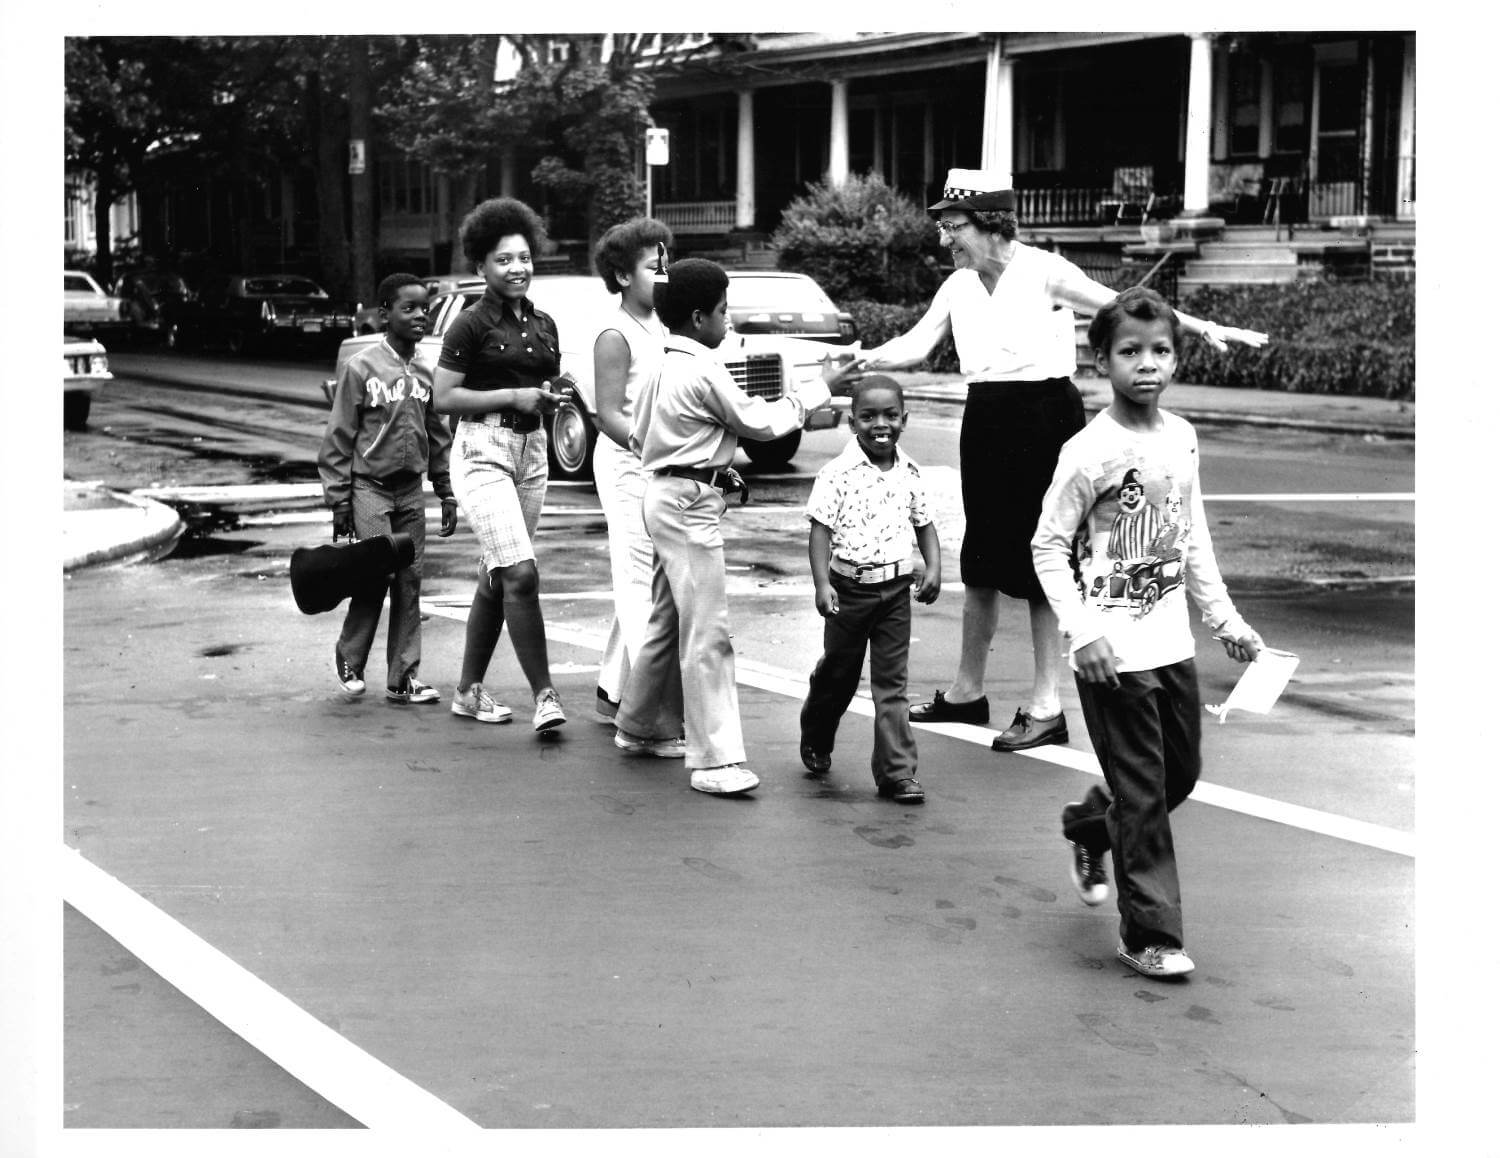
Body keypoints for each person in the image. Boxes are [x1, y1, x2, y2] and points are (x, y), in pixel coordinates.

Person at [860, 168, 1267, 755]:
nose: (945, 240)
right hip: (986, 415)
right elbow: (918, 345)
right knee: (981, 556)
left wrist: (1205, 327)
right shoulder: (959, 286)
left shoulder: (1045, 271)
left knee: (1041, 556)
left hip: (1043, 416)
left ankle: (1047, 705)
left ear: (989, 223)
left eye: (953, 227)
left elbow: (1126, 307)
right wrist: (865, 356)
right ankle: (966, 691)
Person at [1031, 286, 1264, 979]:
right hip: (1112, 655)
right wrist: (1083, 633)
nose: (1147, 365)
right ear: (1100, 359)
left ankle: (1088, 824)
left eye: (1160, 350)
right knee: (1145, 796)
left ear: (1176, 359)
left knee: (1177, 777)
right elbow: (1047, 546)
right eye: (1130, 352)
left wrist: (1225, 620)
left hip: (1171, 646)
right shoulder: (1088, 450)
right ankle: (1150, 934)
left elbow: (1192, 540)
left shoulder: (1183, 438)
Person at [612, 258, 860, 796]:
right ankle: (714, 759)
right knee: (708, 632)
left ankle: (638, 725)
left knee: (668, 618)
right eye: (724, 312)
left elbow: (634, 435)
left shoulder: (659, 357)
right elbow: (762, 424)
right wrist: (821, 388)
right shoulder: (702, 366)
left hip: (663, 493)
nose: (729, 323)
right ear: (699, 316)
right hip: (688, 502)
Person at [432, 197, 568, 734]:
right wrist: (515, 395)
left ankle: (467, 692)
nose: (518, 268)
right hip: (481, 452)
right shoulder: (469, 325)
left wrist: (556, 395)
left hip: (532, 455)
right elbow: (443, 397)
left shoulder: (545, 324)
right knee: (520, 572)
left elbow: (545, 386)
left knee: (498, 573)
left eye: (525, 258)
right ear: (481, 267)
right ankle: (545, 695)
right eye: (504, 260)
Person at [799, 375, 942, 804]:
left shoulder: (910, 471)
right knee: (838, 675)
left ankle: (897, 773)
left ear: (904, 419)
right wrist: (822, 583)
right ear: (851, 421)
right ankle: (817, 734)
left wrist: (933, 566)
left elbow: (924, 524)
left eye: (890, 415)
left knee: (891, 684)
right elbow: (820, 531)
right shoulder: (836, 474)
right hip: (849, 591)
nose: (880, 424)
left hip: (895, 593)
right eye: (868, 416)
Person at [319, 272, 457, 703]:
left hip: (410, 490)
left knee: (410, 580)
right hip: (369, 488)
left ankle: (404, 676)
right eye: (409, 308)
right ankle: (350, 656)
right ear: (385, 315)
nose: (421, 315)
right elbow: (339, 437)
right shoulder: (360, 368)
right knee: (375, 573)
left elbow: (437, 435)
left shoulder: (426, 373)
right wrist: (339, 501)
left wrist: (445, 487)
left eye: (425, 308)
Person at [589, 217, 674, 724]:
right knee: (639, 581)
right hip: (627, 466)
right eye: (652, 265)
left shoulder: (663, 324)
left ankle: (614, 690)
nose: (663, 273)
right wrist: (651, 447)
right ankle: (652, 712)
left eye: (666, 263)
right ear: (623, 276)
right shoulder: (614, 333)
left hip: (659, 463)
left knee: (648, 578)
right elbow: (608, 414)